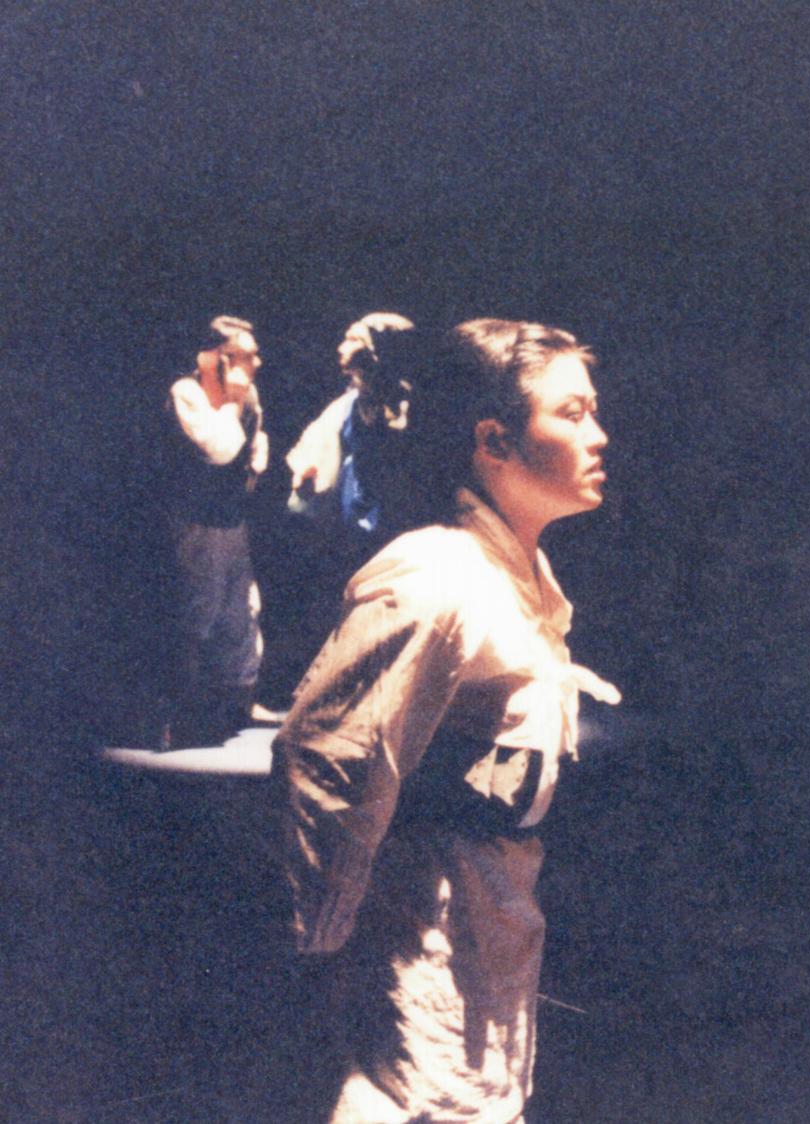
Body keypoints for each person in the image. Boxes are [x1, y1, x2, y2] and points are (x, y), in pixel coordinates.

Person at [272, 319, 620, 1123]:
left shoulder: (516, 576)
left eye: (594, 412)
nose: (598, 435)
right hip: (423, 946)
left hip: (489, 937)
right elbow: (327, 753)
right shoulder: (437, 576)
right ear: (493, 440)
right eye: (571, 414)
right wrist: (321, 938)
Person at [164, 314, 269, 746]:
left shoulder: (246, 395)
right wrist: (232, 404)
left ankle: (240, 701)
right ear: (216, 359)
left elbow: (254, 440)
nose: (256, 363)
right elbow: (220, 449)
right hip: (197, 524)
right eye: (245, 355)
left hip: (230, 519)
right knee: (198, 609)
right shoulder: (187, 393)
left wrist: (255, 461)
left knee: (241, 609)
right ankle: (180, 710)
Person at [285, 311, 418, 559]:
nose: (341, 347)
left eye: (353, 340)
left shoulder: (408, 409)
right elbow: (317, 447)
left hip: (391, 518)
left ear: (377, 350)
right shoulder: (349, 404)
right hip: (351, 512)